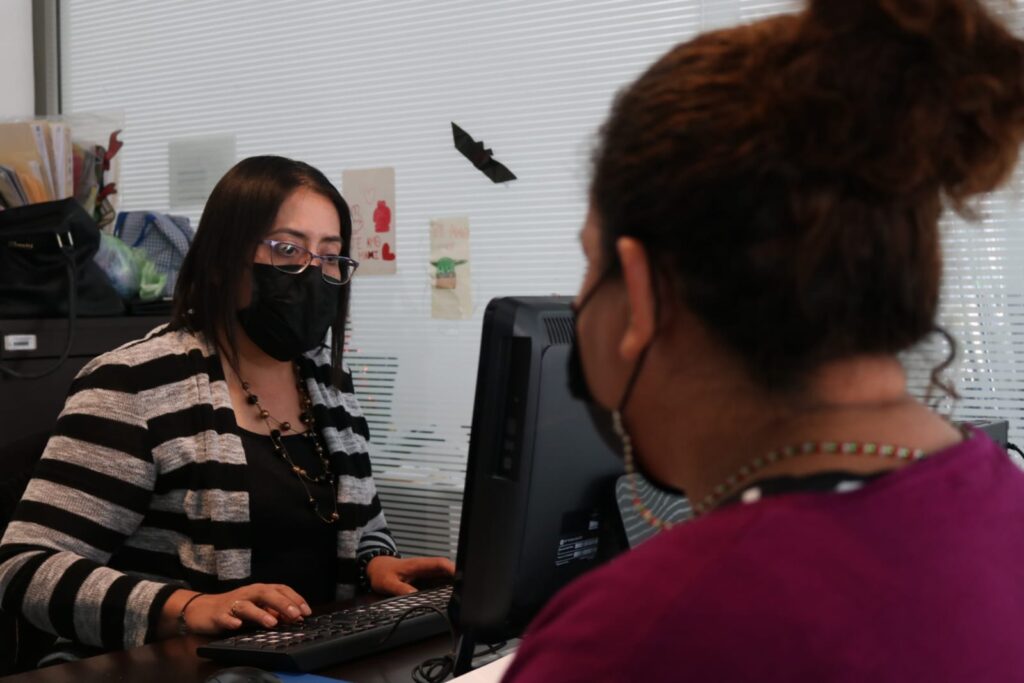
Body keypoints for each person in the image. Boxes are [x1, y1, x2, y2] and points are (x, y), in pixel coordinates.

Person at [505, 0, 1024, 680]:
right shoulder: (1002, 509)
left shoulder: (634, 639)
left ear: (638, 286)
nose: (578, 302)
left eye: (590, 261)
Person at [0, 156, 453, 662]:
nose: (312, 273)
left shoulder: (327, 382)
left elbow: (361, 526)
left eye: (330, 257)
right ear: (222, 258)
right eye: (287, 250)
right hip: (164, 669)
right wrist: (188, 607)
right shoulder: (136, 381)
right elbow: (25, 568)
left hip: (306, 661)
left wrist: (374, 565)